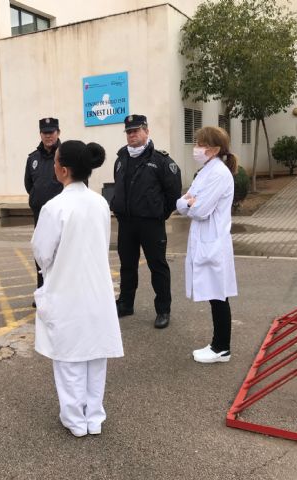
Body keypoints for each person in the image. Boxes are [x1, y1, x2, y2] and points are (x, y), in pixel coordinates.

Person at [32, 140, 124, 437]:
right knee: (95, 356)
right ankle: (94, 417)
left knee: (69, 357)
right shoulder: (100, 203)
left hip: (66, 288)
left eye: (56, 161)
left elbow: (42, 251)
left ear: (63, 170)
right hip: (97, 288)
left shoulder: (54, 206)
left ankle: (74, 420)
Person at [110, 114, 182, 328]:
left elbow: (173, 194)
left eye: (136, 130)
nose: (132, 135)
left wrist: (160, 214)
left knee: (157, 267)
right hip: (126, 224)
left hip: (151, 223)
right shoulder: (121, 158)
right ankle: (125, 304)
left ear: (147, 131)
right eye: (129, 131)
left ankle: (163, 310)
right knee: (127, 266)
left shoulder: (161, 161)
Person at [176, 126, 238, 363]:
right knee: (215, 294)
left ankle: (221, 347)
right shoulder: (205, 171)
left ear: (214, 149)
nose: (196, 148)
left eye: (200, 144)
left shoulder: (219, 174)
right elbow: (183, 202)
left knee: (218, 295)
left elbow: (199, 209)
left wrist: (190, 204)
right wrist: (188, 203)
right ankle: (218, 344)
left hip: (213, 242)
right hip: (204, 239)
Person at [24, 117, 63, 304]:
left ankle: (61, 294)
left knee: (61, 255)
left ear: (58, 133)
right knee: (41, 254)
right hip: (40, 216)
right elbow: (28, 185)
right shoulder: (33, 158)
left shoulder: (66, 155)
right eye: (45, 133)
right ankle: (42, 292)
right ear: (41, 134)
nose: (48, 136)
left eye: (52, 132)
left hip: (61, 216)